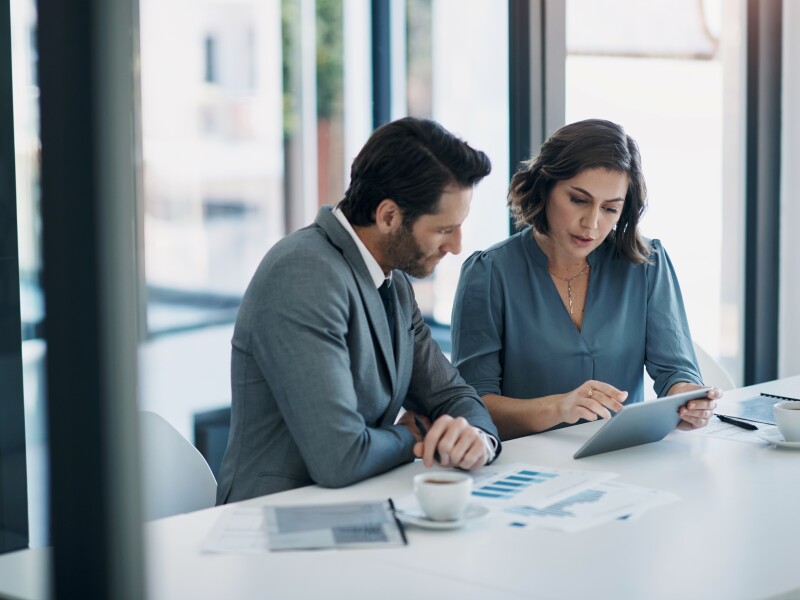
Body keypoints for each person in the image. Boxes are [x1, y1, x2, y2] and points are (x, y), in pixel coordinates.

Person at [217, 117, 501, 503]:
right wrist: (414, 436)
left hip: (359, 507)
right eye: (443, 229)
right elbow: (340, 456)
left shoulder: (393, 282)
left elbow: (452, 394)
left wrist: (476, 439)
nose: (456, 246)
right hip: (277, 521)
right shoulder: (302, 272)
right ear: (388, 216)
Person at [451, 119, 721, 441]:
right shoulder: (488, 274)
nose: (591, 223)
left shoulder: (646, 264)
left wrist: (688, 398)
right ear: (545, 187)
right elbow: (472, 407)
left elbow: (676, 371)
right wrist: (559, 407)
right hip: (525, 467)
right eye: (579, 200)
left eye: (610, 209)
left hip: (622, 459)